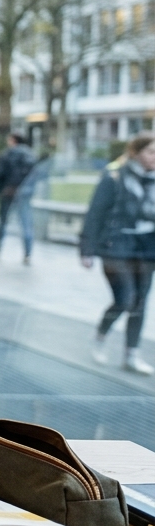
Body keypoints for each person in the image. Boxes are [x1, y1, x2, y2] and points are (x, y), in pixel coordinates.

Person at [81, 134, 155, 375]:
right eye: (151, 152)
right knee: (125, 299)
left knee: (140, 302)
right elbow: (95, 213)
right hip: (115, 246)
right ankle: (100, 337)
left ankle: (131, 355)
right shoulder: (114, 177)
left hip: (146, 247)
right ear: (135, 153)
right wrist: (87, 249)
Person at [0, 132, 38, 264]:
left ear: (14, 140)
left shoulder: (7, 154)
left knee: (3, 221)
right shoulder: (31, 155)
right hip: (25, 193)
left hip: (8, 191)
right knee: (26, 222)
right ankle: (28, 252)